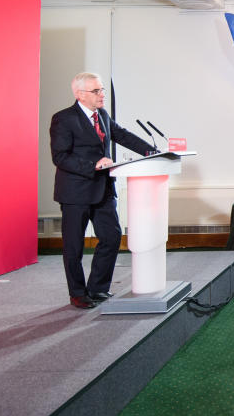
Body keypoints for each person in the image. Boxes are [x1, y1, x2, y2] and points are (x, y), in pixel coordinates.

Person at [50, 72, 156, 309]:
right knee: (74, 246)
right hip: (75, 192)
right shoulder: (63, 119)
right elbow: (60, 157)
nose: (102, 95)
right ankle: (78, 293)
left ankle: (98, 288)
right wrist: (92, 165)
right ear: (80, 94)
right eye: (96, 91)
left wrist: (153, 153)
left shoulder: (103, 115)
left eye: (102, 90)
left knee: (111, 237)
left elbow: (123, 136)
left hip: (103, 190)